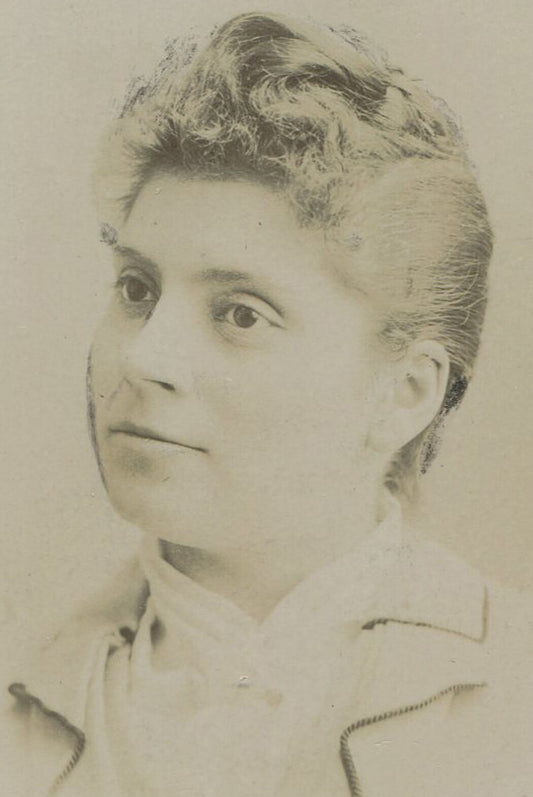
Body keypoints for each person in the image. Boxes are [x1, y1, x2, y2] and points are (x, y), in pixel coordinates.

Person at [2, 9, 532, 796]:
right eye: (136, 289)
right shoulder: (21, 693)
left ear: (404, 393)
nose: (143, 356)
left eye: (240, 313)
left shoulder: (514, 698)